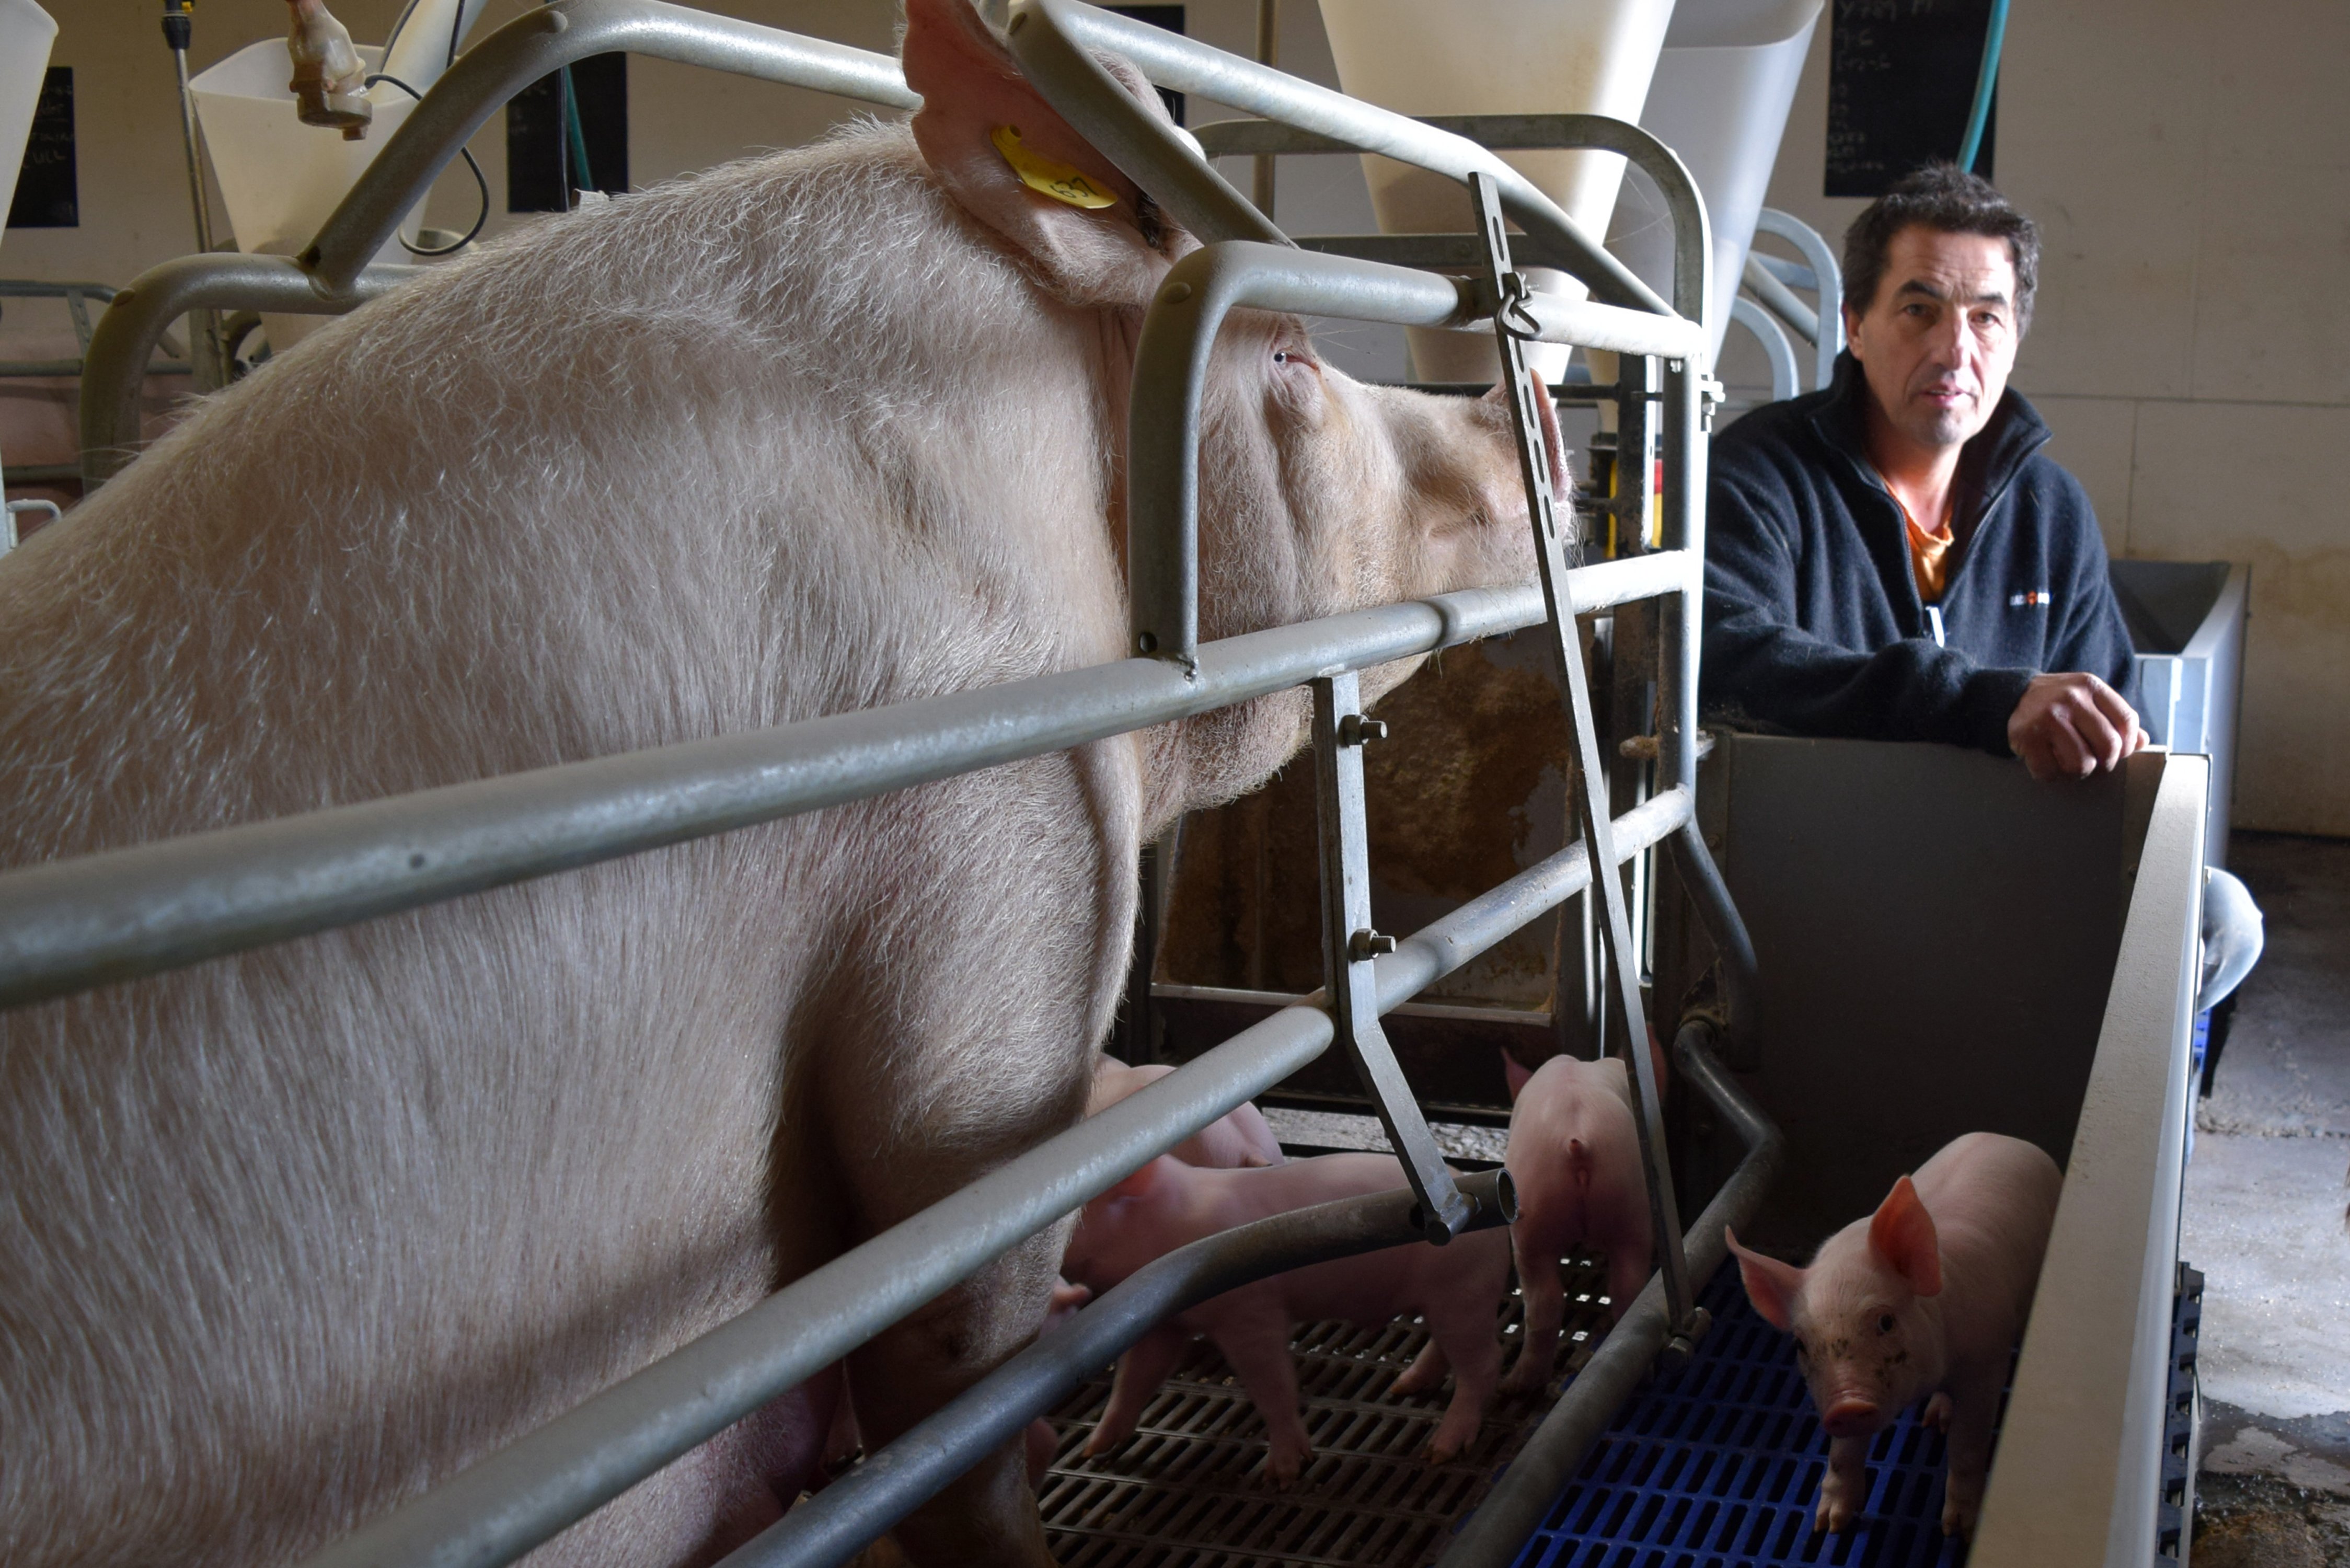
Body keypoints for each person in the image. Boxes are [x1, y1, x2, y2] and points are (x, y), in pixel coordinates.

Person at [1701, 164, 2145, 782]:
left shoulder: (2050, 514)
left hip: (2009, 858)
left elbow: (2118, 733)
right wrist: (1981, 702)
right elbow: (1726, 661)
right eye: (1918, 310)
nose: (1953, 351)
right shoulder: (1758, 475)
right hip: (1806, 849)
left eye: (1985, 318)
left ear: (2014, 337)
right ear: (1855, 327)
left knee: (2220, 888)